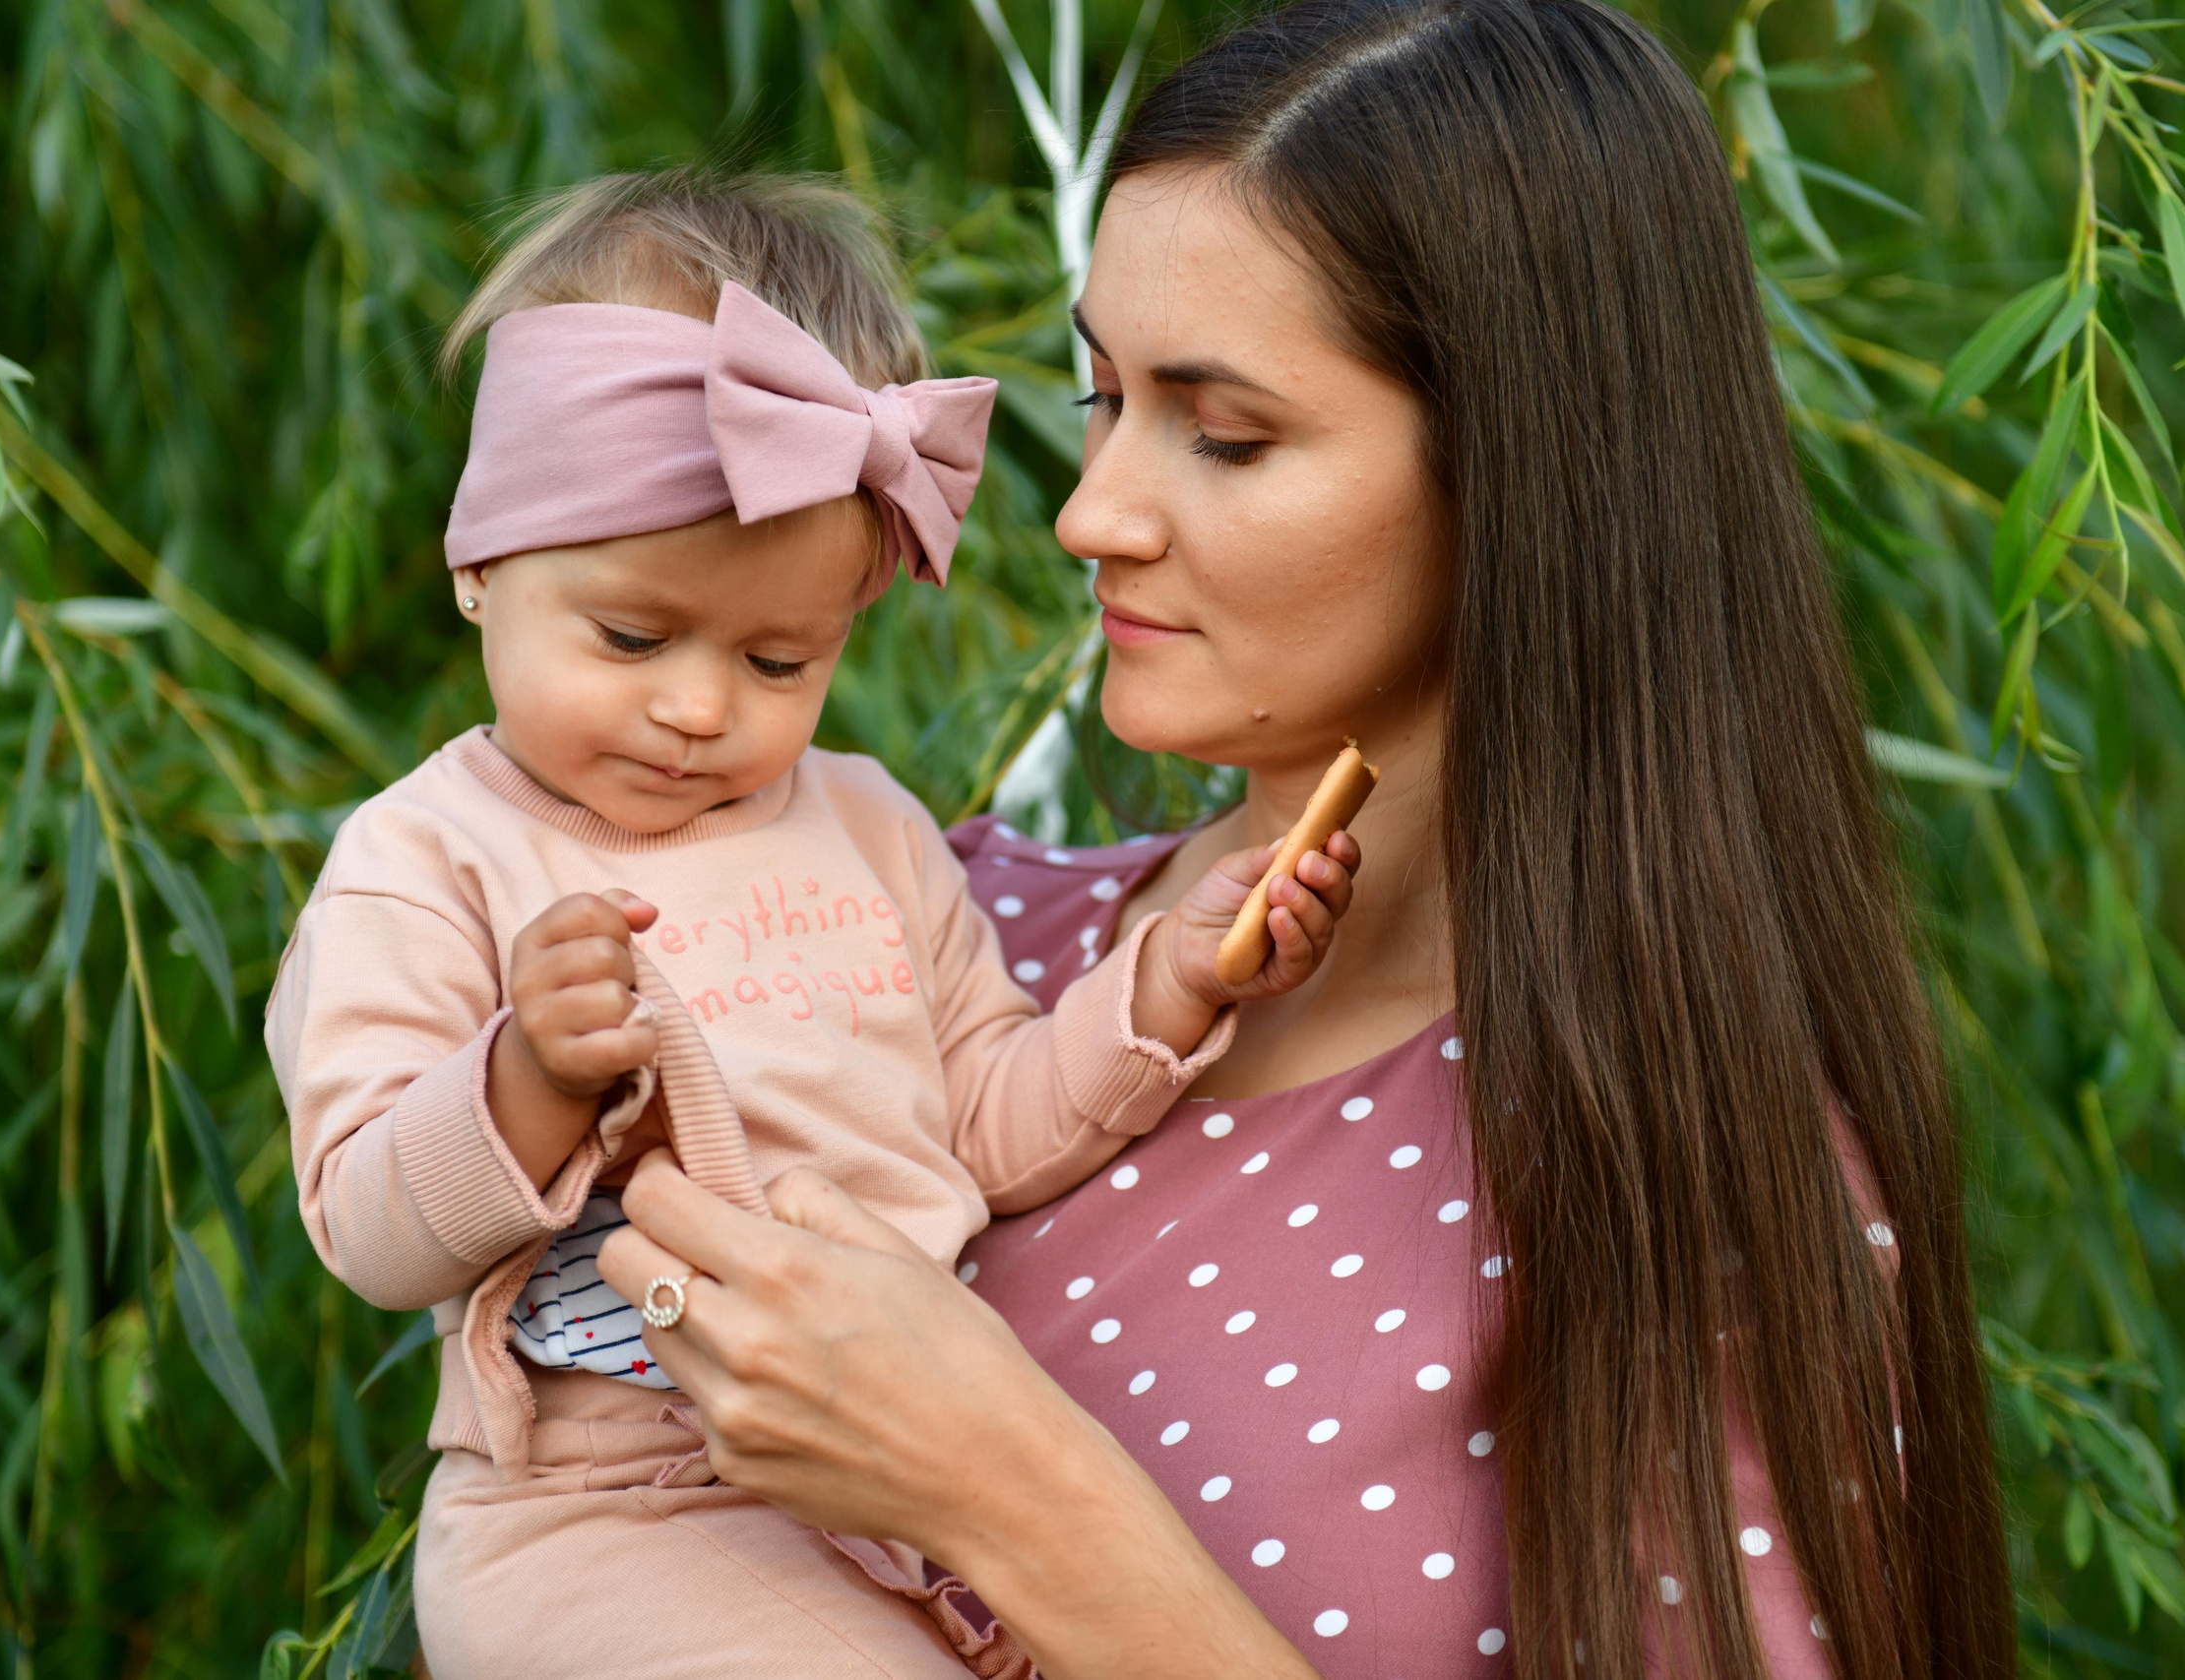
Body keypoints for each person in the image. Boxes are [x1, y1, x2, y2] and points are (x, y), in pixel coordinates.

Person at [592, 3, 2017, 1677]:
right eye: (1103, 392)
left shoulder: (1676, 1176)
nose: (1089, 510)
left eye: (1227, 433)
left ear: (1523, 471)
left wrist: (1015, 1493)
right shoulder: (946, 941)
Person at [265, 171, 1358, 1678]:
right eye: (632, 636)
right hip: (615, 1508)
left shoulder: (865, 830)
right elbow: (368, 1226)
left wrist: (1154, 999)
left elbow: (984, 1124)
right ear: (481, 567)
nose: (700, 707)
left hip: (888, 1493)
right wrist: (524, 1078)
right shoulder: (432, 859)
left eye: (780, 660)